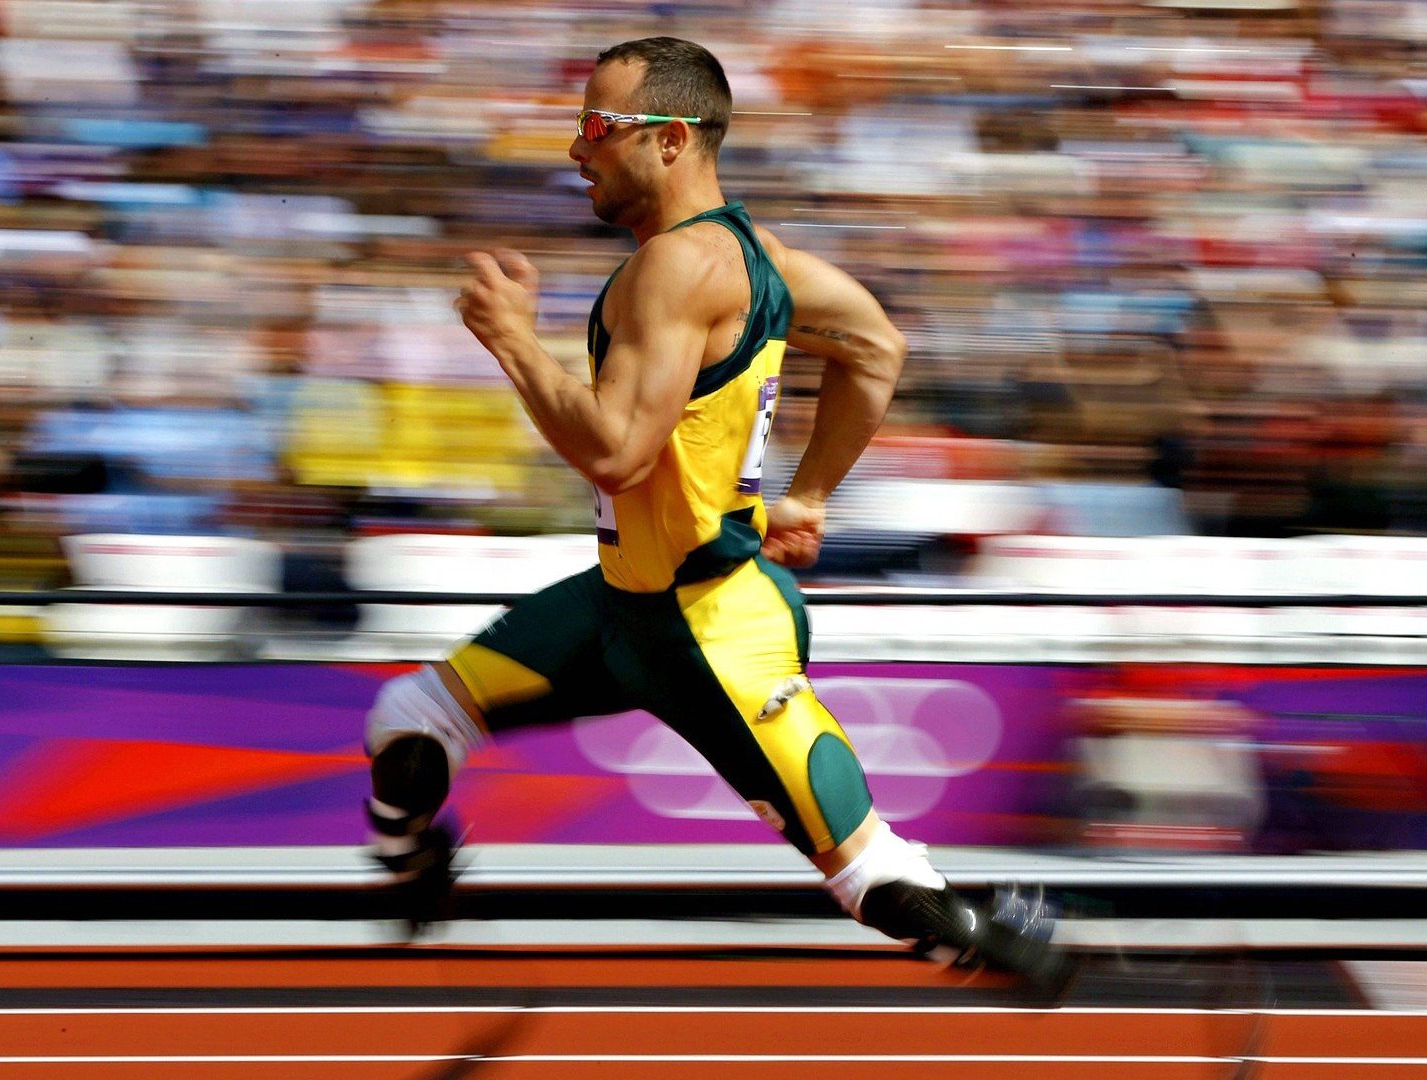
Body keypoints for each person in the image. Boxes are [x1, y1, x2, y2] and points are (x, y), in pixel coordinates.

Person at [362, 36, 1070, 990]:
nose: (576, 149)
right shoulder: (757, 256)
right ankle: (413, 873)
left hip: (708, 626)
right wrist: (807, 496)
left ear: (668, 141)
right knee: (408, 719)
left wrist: (512, 343)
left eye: (596, 127)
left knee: (873, 878)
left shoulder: (675, 269)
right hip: (622, 606)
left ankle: (1054, 959)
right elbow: (874, 348)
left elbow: (617, 449)